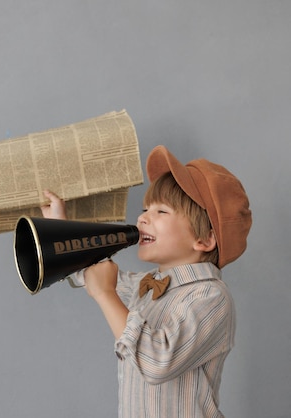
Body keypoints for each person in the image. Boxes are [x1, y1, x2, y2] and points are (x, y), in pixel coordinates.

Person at [40, 145, 252, 418]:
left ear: (204, 239)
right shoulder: (148, 285)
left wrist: (106, 295)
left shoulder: (211, 298)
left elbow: (157, 363)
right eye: (145, 209)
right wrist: (61, 229)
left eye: (161, 212)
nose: (142, 218)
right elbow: (89, 273)